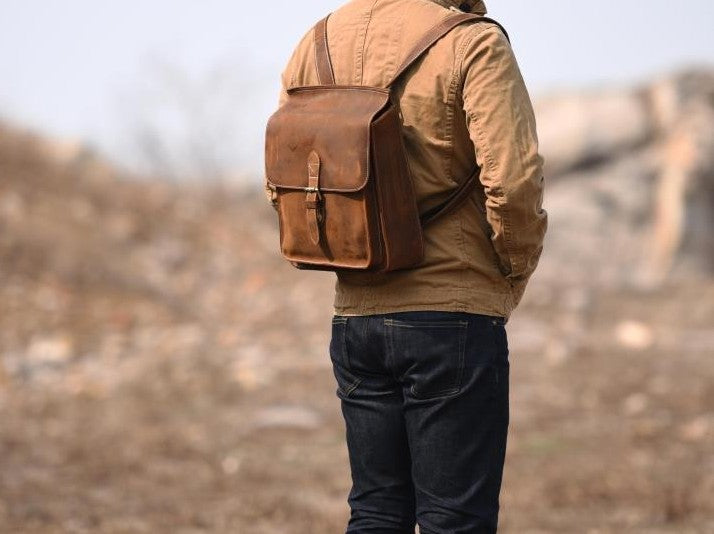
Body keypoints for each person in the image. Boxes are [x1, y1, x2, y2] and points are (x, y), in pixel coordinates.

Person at [268, 0, 547, 531]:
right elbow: (513, 183)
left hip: (355, 322)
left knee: (375, 513)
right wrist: (512, 272)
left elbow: (283, 179)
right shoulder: (474, 41)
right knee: (455, 520)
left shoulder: (318, 40)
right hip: (452, 313)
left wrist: (341, 250)